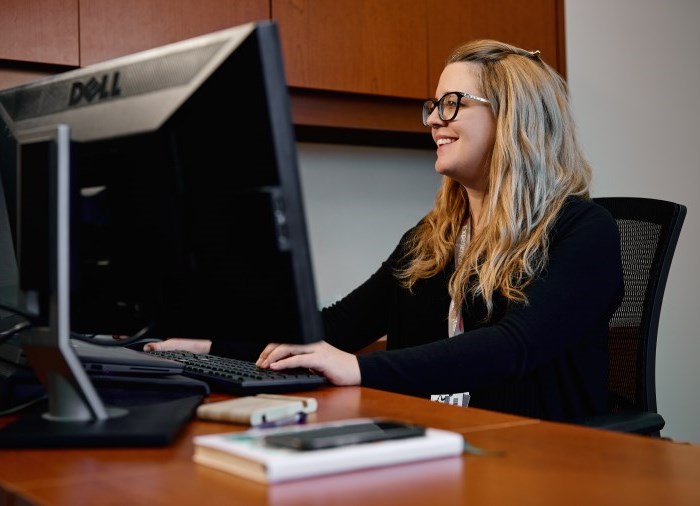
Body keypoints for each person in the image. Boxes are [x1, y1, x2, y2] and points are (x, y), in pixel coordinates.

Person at [143, 39, 624, 422]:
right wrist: (209, 345)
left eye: (453, 103)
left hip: (539, 459)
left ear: (514, 116)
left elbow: (515, 345)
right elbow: (333, 328)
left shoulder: (584, 232)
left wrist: (357, 368)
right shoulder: (433, 238)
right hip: (435, 443)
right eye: (434, 104)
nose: (435, 119)